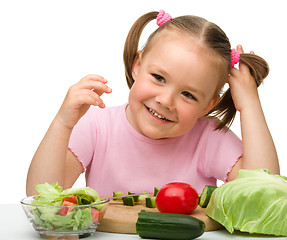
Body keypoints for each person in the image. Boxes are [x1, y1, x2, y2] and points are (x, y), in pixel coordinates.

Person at [26, 10, 279, 196]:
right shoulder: (97, 126)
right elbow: (40, 198)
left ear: (207, 105)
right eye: (159, 77)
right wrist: (62, 124)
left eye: (188, 95)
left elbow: (263, 195)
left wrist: (249, 106)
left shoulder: (208, 137)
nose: (166, 100)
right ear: (138, 65)